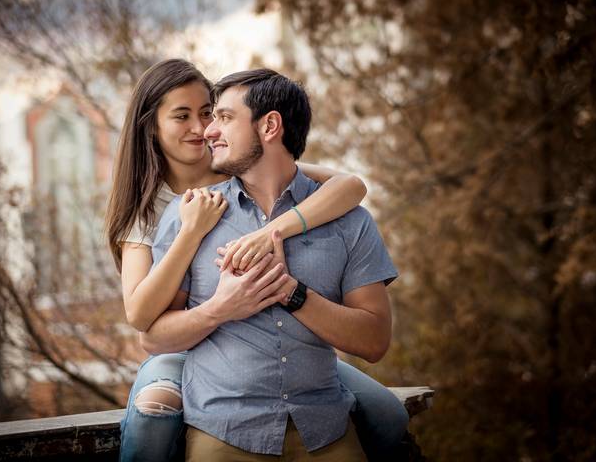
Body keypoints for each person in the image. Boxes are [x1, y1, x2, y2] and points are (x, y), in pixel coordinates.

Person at [106, 60, 408, 461]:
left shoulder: (233, 164)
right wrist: (192, 232)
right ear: (152, 127)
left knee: (387, 412)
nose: (202, 128)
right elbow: (142, 317)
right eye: (182, 116)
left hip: (286, 365)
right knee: (153, 413)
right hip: (186, 352)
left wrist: (271, 232)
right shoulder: (153, 209)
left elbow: (350, 186)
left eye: (210, 113)